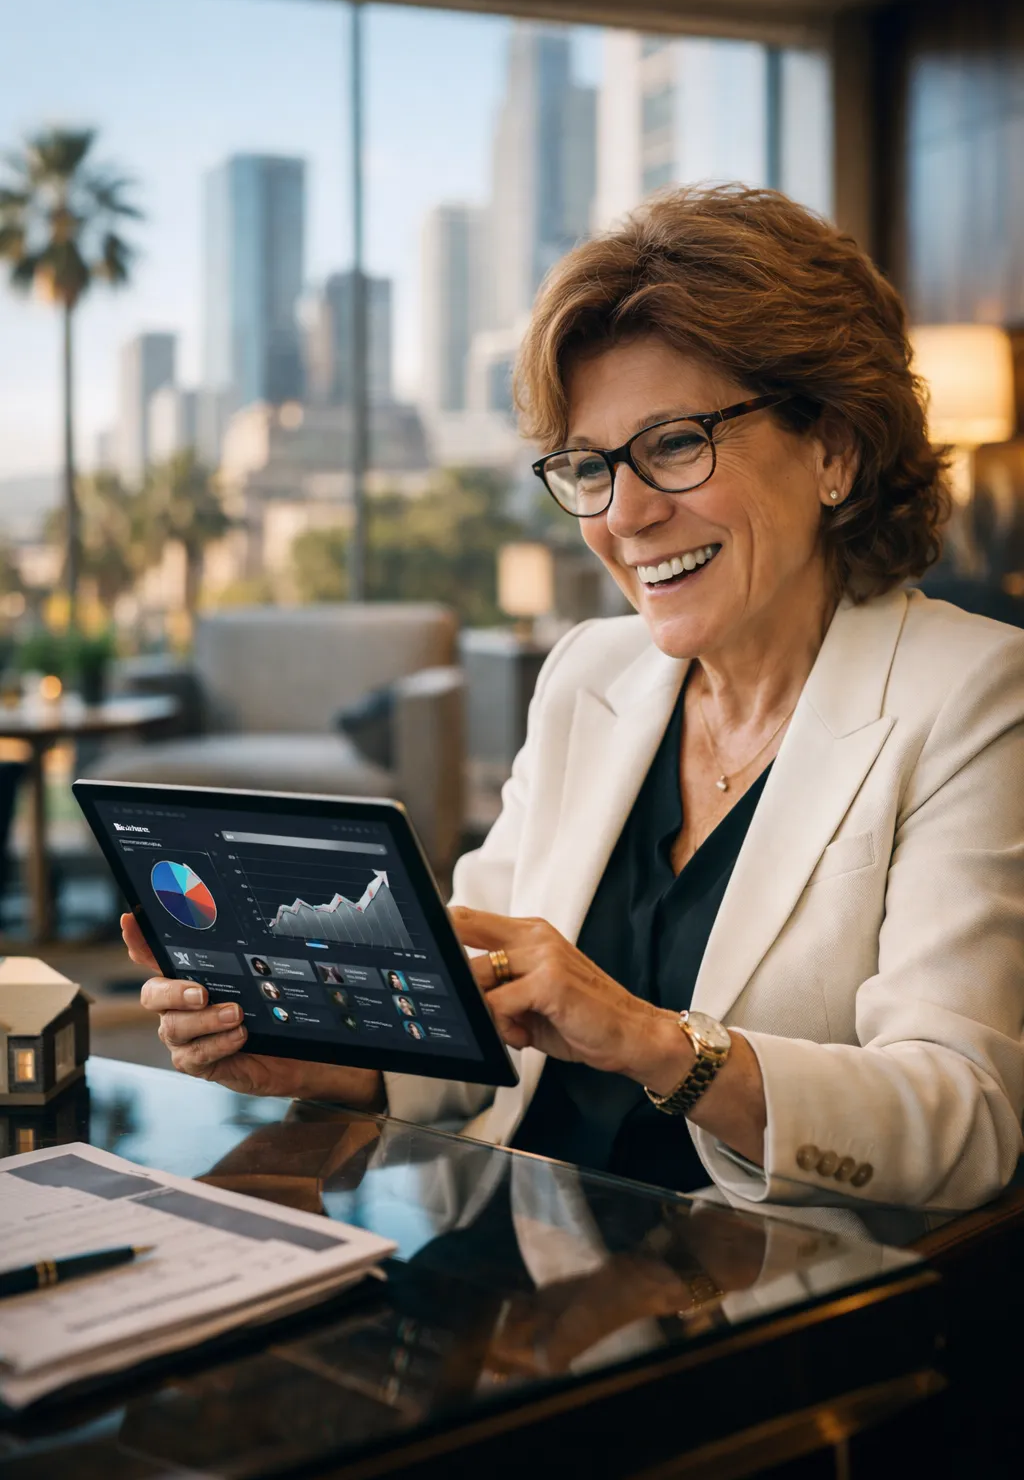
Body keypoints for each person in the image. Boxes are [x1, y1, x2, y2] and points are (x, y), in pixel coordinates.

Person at [126, 185, 1024, 1211]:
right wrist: (322, 1062)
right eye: (588, 466)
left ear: (832, 449)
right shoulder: (587, 675)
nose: (626, 514)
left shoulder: (973, 695)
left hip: (753, 1303)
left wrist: (655, 1043)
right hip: (514, 1250)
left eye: (678, 443)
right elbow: (482, 1020)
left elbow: (966, 1120)